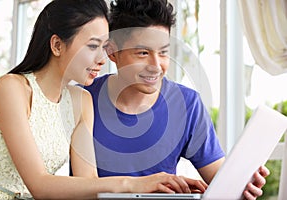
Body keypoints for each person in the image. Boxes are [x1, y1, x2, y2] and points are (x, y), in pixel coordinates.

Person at [0, 0, 207, 199]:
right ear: (57, 46)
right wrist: (137, 184)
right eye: (93, 46)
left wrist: (161, 191)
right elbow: (40, 185)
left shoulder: (81, 100)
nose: (102, 59)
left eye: (104, 48)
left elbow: (90, 185)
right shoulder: (11, 89)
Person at [80, 0, 270, 199]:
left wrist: (243, 186)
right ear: (112, 51)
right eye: (143, 53)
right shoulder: (83, 98)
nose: (156, 65)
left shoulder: (187, 104)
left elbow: (222, 183)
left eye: (163, 52)